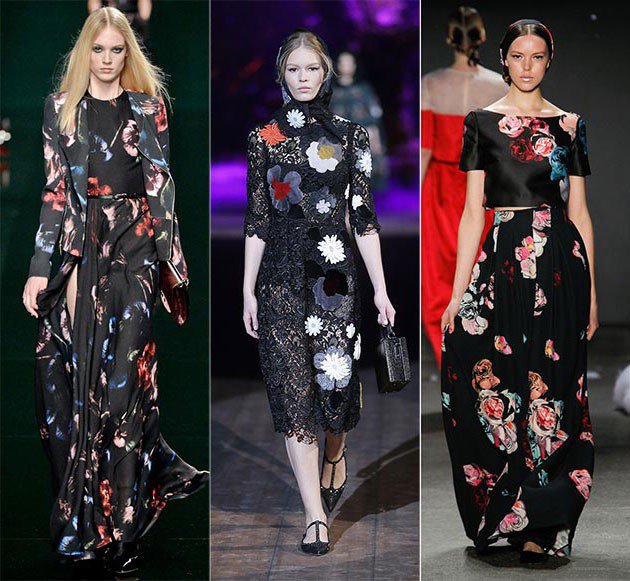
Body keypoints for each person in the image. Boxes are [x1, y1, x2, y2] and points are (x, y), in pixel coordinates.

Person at [21, 7, 207, 575]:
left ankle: (124, 530)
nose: (107, 59)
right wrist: (39, 267)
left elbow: (162, 187)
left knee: (125, 386)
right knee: (80, 389)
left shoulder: (149, 108)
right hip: (81, 251)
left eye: (117, 50)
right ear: (86, 52)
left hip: (136, 247)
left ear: (130, 52)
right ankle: (87, 522)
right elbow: (55, 193)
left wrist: (170, 265)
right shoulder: (61, 109)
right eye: (98, 49)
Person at [440, 19, 597, 562]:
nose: (527, 66)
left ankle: (544, 525)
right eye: (518, 56)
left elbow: (580, 212)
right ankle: (507, 508)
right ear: (503, 59)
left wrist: (593, 295)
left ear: (549, 60)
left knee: (553, 391)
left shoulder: (570, 125)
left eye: (537, 56)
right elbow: (471, 213)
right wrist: (457, 293)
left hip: (559, 265)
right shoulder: (481, 123)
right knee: (495, 384)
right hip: (502, 259)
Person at [242, 30, 396, 555]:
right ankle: (314, 516)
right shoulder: (264, 137)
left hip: (334, 276)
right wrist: (247, 289)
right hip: (280, 276)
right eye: (294, 69)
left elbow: (364, 218)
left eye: (312, 68)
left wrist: (381, 289)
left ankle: (336, 450)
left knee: (335, 389)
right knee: (293, 394)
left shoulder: (351, 136)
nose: (303, 77)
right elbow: (258, 218)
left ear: (325, 72)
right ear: (281, 75)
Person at [421, 6, 506, 366]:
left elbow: (425, 149)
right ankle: (481, 365)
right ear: (482, 38)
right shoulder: (500, 87)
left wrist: (414, 200)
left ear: (449, 38)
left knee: (439, 278)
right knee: (481, 274)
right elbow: (502, 151)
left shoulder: (430, 84)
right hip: (482, 187)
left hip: (440, 187)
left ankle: (452, 365)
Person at [330, 50, 388, 190]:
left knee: (363, 185)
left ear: (355, 65)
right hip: (338, 145)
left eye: (349, 62)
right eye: (343, 62)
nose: (346, 66)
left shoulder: (364, 90)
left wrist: (376, 141)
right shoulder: (331, 92)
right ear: (337, 65)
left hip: (362, 143)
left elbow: (375, 116)